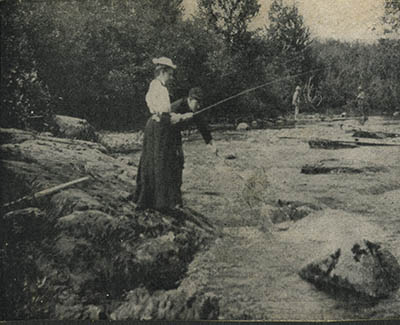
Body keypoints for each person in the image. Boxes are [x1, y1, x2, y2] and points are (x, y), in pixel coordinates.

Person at [134, 57, 193, 211]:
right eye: (170, 74)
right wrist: (182, 117)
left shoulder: (153, 85)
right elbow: (166, 114)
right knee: (162, 161)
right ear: (162, 72)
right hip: (160, 128)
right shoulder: (161, 88)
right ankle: (161, 203)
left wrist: (175, 116)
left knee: (150, 160)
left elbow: (159, 111)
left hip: (152, 125)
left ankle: (146, 199)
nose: (171, 77)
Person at [170, 87, 218, 197]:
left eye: (201, 103)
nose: (199, 106)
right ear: (190, 99)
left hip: (176, 136)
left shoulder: (195, 110)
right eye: (197, 102)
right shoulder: (177, 106)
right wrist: (181, 117)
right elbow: (164, 120)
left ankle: (176, 192)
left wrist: (212, 145)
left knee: (179, 161)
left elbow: (203, 128)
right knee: (171, 163)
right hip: (164, 135)